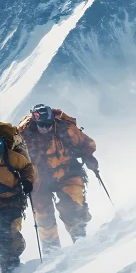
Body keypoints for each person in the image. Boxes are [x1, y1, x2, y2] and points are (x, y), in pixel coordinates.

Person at [18, 105, 99, 251]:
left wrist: (89, 157)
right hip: (38, 180)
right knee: (44, 217)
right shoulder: (23, 136)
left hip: (67, 172)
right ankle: (52, 252)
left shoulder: (65, 129)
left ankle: (80, 240)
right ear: (36, 122)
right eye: (42, 125)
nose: (46, 128)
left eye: (49, 124)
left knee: (73, 206)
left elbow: (86, 142)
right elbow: (17, 160)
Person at [0, 121, 36, 273]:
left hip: (13, 200)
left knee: (9, 232)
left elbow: (27, 167)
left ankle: (12, 264)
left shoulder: (11, 156)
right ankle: (6, 266)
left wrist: (28, 182)